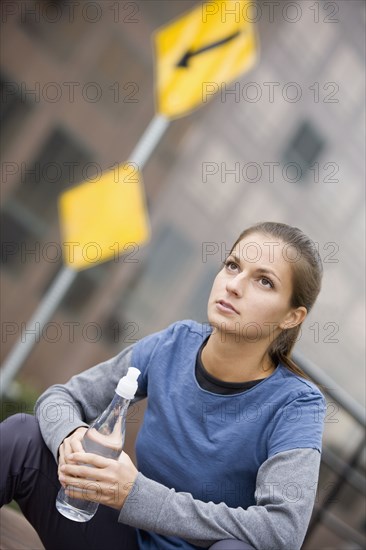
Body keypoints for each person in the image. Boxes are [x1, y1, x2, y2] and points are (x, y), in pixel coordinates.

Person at [0, 221, 326, 550]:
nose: (235, 285)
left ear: (292, 317)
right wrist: (68, 436)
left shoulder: (297, 405)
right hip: (117, 539)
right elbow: (60, 399)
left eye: (264, 281)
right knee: (22, 437)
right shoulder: (173, 344)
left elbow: (282, 532)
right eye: (232, 266)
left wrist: (137, 495)